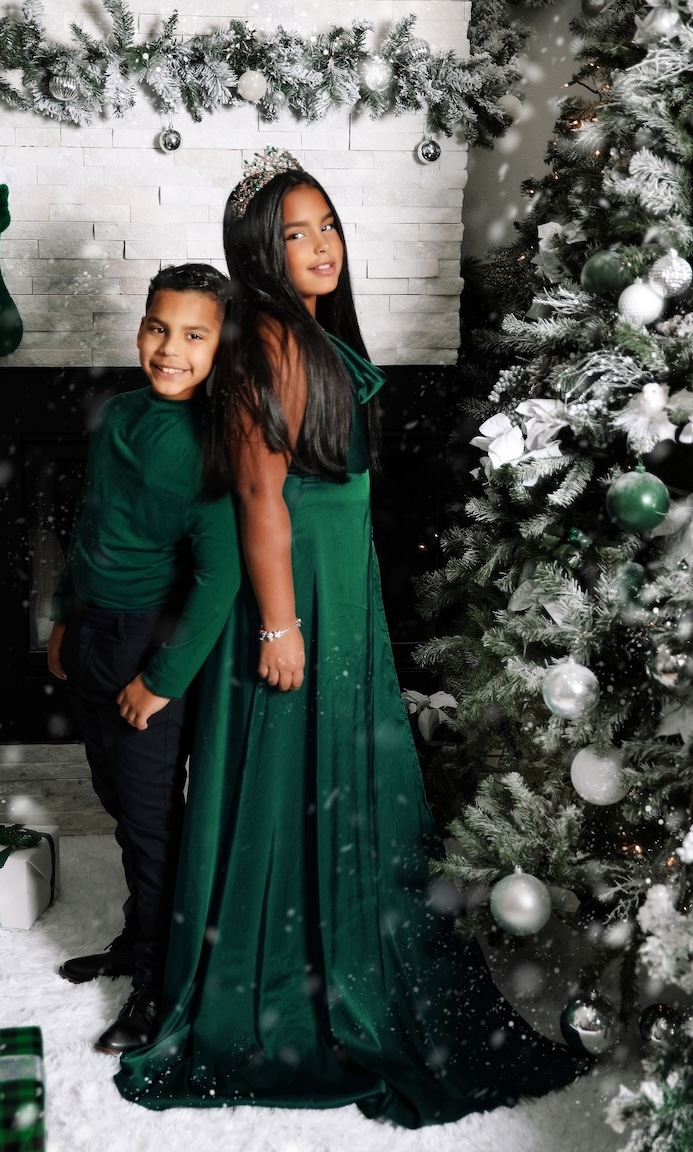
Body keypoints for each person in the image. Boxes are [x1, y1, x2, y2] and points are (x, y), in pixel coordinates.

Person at [113, 151, 588, 1126]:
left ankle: (322, 935)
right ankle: (282, 964)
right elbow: (258, 496)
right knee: (292, 768)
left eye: (326, 224)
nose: (320, 245)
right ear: (259, 250)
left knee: (331, 770)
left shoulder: (306, 334)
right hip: (296, 595)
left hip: (332, 581)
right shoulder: (267, 341)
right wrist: (280, 623)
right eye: (295, 233)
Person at [48, 262, 240, 1055]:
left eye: (194, 336)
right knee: (119, 804)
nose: (170, 349)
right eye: (158, 328)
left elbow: (220, 577)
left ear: (220, 346)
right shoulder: (119, 414)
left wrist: (159, 682)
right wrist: (62, 615)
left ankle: (160, 988)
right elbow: (91, 523)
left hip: (145, 645)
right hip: (91, 630)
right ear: (140, 329)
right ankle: (136, 941)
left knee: (155, 827)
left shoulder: (213, 444)